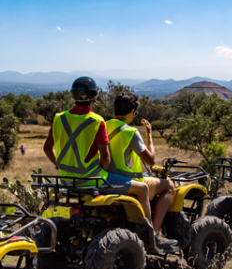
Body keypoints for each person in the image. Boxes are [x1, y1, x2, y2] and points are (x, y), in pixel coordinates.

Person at [43, 77, 153, 228]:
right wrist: (104, 172)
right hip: (92, 180)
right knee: (143, 188)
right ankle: (151, 233)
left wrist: (60, 166)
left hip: (66, 181)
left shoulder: (58, 118)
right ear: (94, 97)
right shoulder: (96, 121)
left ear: (72, 95)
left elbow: (47, 149)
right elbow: (106, 157)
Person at [106, 93, 178, 249]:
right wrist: (149, 135)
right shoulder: (130, 132)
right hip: (129, 183)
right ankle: (155, 232)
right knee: (169, 186)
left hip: (108, 179)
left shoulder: (103, 126)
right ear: (132, 112)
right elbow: (151, 160)